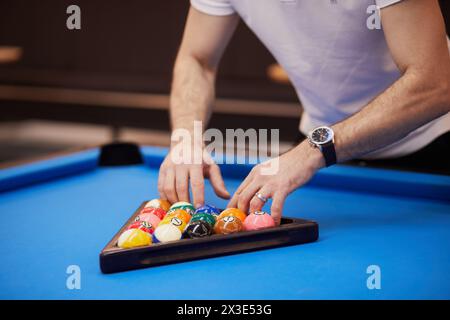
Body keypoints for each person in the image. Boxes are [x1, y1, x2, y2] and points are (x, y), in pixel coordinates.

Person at [158, 0, 450, 224]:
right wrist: (186, 137)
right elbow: (197, 59)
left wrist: (312, 150)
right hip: (321, 150)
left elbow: (435, 83)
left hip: (430, 145)